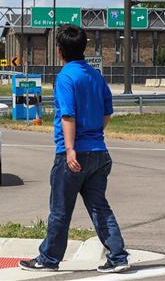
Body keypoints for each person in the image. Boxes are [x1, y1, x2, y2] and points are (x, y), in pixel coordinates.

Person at [19, 25, 130, 274]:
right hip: (99, 152)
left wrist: (70, 149)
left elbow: (67, 116)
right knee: (99, 207)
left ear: (59, 51)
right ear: (84, 48)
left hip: (72, 154)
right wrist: (93, 134)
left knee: (60, 210)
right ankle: (118, 255)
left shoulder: (66, 77)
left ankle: (48, 259)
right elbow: (106, 112)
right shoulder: (95, 76)